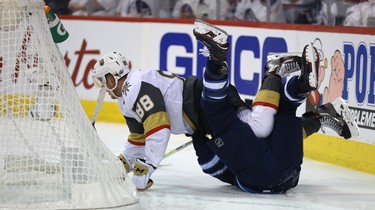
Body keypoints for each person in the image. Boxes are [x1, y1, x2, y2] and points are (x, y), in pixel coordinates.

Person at [191, 19, 359, 193]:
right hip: (264, 172)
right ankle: (274, 73)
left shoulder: (224, 130)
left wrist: (197, 137)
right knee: (277, 115)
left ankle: (311, 101)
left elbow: (210, 165)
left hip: (287, 176)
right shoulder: (230, 122)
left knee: (282, 117)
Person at [91, 50, 247, 190]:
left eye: (102, 81)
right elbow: (139, 137)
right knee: (209, 164)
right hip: (198, 122)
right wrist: (124, 163)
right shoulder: (124, 99)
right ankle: (247, 180)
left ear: (111, 79)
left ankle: (258, 175)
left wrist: (148, 165)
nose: (102, 87)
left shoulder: (136, 85)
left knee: (246, 137)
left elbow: (158, 127)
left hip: (207, 104)